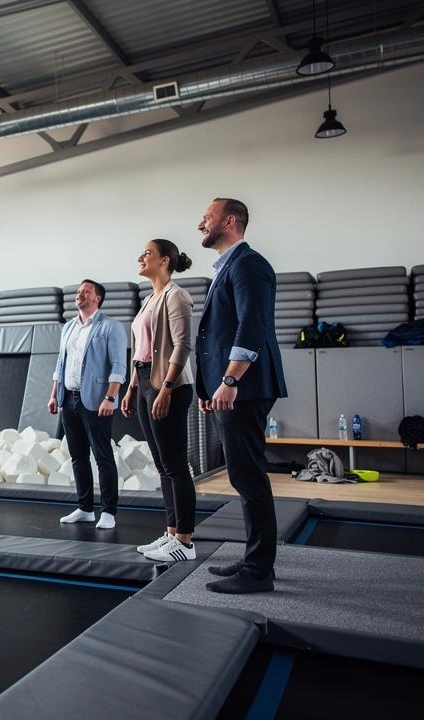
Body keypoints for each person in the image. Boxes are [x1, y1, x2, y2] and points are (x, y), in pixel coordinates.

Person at [195, 198, 287, 593]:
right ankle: (254, 559)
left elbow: (252, 325)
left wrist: (230, 381)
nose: (201, 224)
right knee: (242, 476)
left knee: (249, 477)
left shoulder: (248, 263)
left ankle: (259, 571)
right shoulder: (226, 268)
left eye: (207, 217)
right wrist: (208, 386)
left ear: (230, 221)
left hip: (244, 387)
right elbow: (217, 334)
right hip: (230, 387)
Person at [121, 239, 198, 562]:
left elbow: (182, 346)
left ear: (165, 260)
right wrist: (130, 387)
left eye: (147, 253)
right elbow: (140, 349)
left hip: (169, 384)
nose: (140, 256)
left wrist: (166, 387)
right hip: (144, 381)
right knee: (163, 464)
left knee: (176, 465)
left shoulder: (175, 295)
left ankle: (185, 540)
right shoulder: (148, 300)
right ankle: (170, 533)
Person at [48, 280, 128, 529]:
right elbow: (60, 363)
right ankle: (84, 508)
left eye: (86, 291)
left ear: (98, 298)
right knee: (77, 456)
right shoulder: (69, 327)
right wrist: (54, 394)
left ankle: (108, 512)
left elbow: (119, 365)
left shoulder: (110, 327)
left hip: (96, 400)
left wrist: (111, 397)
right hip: (68, 398)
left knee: (103, 457)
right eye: (78, 291)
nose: (80, 294)